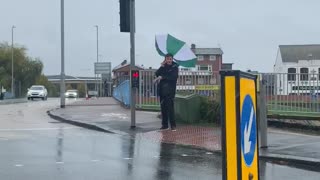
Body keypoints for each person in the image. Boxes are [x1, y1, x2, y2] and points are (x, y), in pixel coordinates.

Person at [154, 53, 179, 131]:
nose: (169, 60)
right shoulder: (164, 66)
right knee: (163, 108)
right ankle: (165, 125)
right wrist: (161, 66)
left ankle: (173, 126)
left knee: (170, 108)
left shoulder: (175, 67)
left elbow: (173, 77)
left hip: (170, 91)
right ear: (165, 59)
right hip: (162, 90)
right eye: (167, 59)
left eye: (170, 59)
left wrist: (162, 77)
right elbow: (157, 73)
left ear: (172, 59)